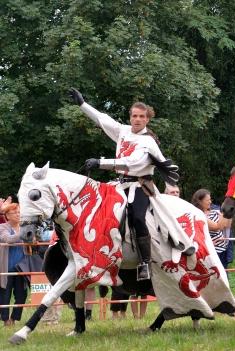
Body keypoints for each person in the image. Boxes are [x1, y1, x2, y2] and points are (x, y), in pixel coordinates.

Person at [69, 88, 180, 280]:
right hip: (118, 185)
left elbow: (132, 162)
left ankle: (145, 262)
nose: (137, 119)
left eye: (141, 116)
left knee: (137, 217)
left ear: (147, 119)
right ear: (130, 117)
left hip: (139, 186)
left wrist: (100, 162)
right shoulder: (123, 131)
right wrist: (82, 104)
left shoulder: (149, 142)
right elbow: (102, 119)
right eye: (134, 115)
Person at [0, 203, 28, 326]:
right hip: (7, 268)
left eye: (19, 212)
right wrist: (24, 233)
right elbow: (8, 239)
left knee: (22, 294)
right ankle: (6, 320)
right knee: (5, 295)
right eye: (15, 213)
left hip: (22, 268)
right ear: (7, 216)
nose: (18, 214)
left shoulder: (25, 227)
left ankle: (14, 318)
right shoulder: (2, 227)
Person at [191, 189, 231, 268]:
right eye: (207, 200)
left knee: (224, 273)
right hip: (211, 251)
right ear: (200, 201)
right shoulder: (199, 215)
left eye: (210, 199)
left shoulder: (214, 212)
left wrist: (229, 210)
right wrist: (224, 212)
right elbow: (218, 227)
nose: (210, 202)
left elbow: (227, 225)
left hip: (222, 249)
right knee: (215, 275)